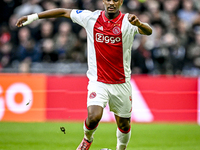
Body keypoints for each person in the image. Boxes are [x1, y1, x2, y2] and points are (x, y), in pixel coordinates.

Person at [16, 0, 152, 149]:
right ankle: (87, 139)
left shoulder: (128, 21)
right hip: (98, 81)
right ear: (103, 1)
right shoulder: (90, 18)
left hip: (121, 83)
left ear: (121, 2)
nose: (111, 3)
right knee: (93, 117)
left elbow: (148, 31)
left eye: (115, 0)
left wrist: (139, 24)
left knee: (124, 124)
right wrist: (33, 17)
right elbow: (63, 11)